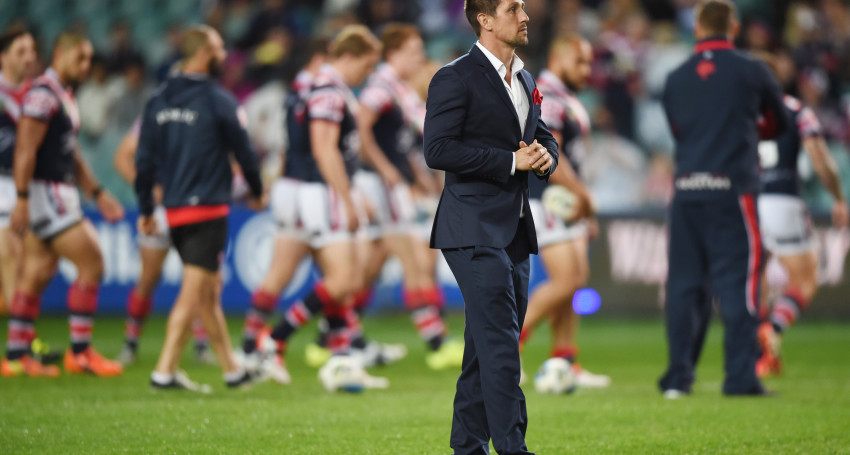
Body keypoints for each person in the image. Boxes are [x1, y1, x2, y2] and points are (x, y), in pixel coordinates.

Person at [424, 0, 558, 453]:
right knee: (502, 341)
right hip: (471, 226)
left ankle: (467, 446)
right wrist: (509, 161)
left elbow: (540, 134)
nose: (524, 15)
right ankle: (513, 448)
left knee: (485, 347)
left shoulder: (525, 77)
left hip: (514, 228)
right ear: (484, 20)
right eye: (512, 7)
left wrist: (544, 157)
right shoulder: (454, 76)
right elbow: (437, 150)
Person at [659, 0, 787, 398]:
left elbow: (678, 129)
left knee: (683, 287)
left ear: (697, 27)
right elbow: (778, 121)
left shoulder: (676, 77)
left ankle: (678, 378)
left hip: (686, 191)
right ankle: (740, 377)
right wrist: (746, 131)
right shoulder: (752, 70)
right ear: (732, 26)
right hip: (732, 191)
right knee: (739, 285)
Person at [258, 25, 388, 390]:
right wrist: (346, 198)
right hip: (324, 193)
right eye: (367, 63)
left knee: (346, 282)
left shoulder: (332, 88)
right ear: (347, 57)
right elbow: (324, 148)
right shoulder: (329, 91)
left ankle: (342, 359)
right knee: (345, 279)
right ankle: (276, 337)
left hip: (325, 191)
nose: (369, 72)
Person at [135, 25, 265, 391]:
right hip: (207, 209)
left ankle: (232, 370)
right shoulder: (218, 99)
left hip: (174, 210)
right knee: (194, 294)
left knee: (208, 291)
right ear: (206, 53)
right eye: (220, 48)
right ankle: (164, 371)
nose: (225, 55)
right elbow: (245, 152)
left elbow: (143, 161)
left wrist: (146, 208)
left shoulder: (158, 100)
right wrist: (257, 190)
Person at [2, 32, 126, 378]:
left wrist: (97, 192)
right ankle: (81, 352)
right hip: (47, 195)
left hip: (52, 193)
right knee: (93, 262)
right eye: (80, 59)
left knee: (37, 274)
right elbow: (25, 148)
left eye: (89, 60)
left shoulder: (59, 93)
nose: (86, 67)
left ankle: (16, 355)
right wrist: (23, 199)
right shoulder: (43, 95)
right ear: (61, 53)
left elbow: (71, 154)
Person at [344, 23, 461, 370]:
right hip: (378, 186)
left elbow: (411, 138)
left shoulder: (396, 88)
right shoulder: (381, 86)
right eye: (413, 52)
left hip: (385, 185)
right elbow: (359, 125)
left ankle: (336, 333)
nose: (419, 58)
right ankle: (437, 342)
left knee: (369, 267)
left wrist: (420, 176)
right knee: (413, 259)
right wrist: (384, 168)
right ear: (393, 54)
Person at [518, 35, 609, 388]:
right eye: (581, 62)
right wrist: (581, 194)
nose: (587, 71)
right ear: (559, 57)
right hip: (550, 197)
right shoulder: (549, 95)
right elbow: (550, 152)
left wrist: (584, 207)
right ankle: (508, 347)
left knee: (575, 283)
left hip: (568, 201)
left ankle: (564, 360)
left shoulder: (565, 97)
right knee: (566, 281)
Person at [754, 53, 849, 377]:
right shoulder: (794, 110)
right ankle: (774, 329)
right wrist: (838, 198)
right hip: (782, 199)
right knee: (806, 278)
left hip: (748, 202)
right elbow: (820, 159)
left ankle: (759, 352)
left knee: (756, 280)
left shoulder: (736, 113)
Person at [112, 119, 213, 366]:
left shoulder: (195, 111)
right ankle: (130, 344)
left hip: (192, 207)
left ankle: (201, 346)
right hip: (161, 211)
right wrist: (147, 189)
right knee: (148, 279)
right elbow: (122, 157)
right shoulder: (154, 115)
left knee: (197, 279)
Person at [0, 28, 36, 317]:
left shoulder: (36, 94)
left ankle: (21, 340)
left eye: (32, 51)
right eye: (21, 51)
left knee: (24, 264)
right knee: (11, 258)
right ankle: (18, 346)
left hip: (26, 186)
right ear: (3, 57)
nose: (29, 58)